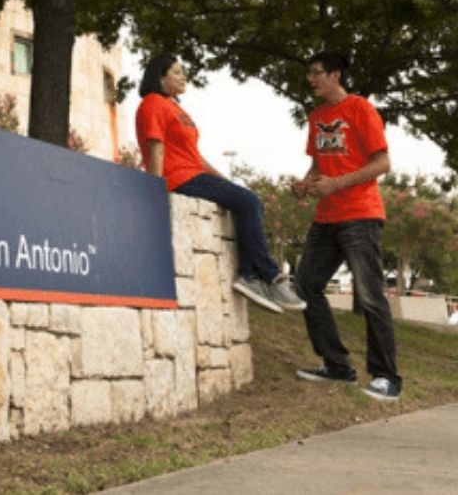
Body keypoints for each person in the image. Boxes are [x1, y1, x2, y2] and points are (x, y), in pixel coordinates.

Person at [135, 55, 305, 313]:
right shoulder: (152, 104)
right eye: (177, 72)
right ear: (160, 77)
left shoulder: (176, 108)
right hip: (178, 179)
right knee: (249, 201)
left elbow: (195, 155)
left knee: (247, 199)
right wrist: (155, 189)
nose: (183, 77)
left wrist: (223, 180)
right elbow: (155, 146)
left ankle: (250, 275)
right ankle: (267, 276)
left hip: (194, 173)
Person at [291, 50, 400, 402]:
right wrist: (306, 184)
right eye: (310, 73)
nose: (311, 79)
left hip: (360, 215)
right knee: (306, 286)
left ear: (336, 75)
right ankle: (338, 367)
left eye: (317, 73)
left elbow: (383, 162)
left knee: (370, 297)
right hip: (326, 218)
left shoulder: (360, 109)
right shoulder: (317, 116)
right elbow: (318, 163)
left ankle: (386, 378)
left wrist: (338, 183)